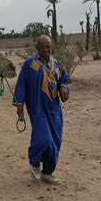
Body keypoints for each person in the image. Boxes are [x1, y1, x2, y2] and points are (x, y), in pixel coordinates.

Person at [13, 35, 69, 185]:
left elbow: (63, 79)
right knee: (43, 139)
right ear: (37, 47)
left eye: (48, 46)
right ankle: (35, 162)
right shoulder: (29, 64)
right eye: (42, 46)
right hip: (37, 108)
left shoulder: (57, 65)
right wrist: (19, 104)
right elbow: (21, 84)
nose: (46, 49)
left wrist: (64, 87)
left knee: (55, 142)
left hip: (54, 110)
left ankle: (48, 172)